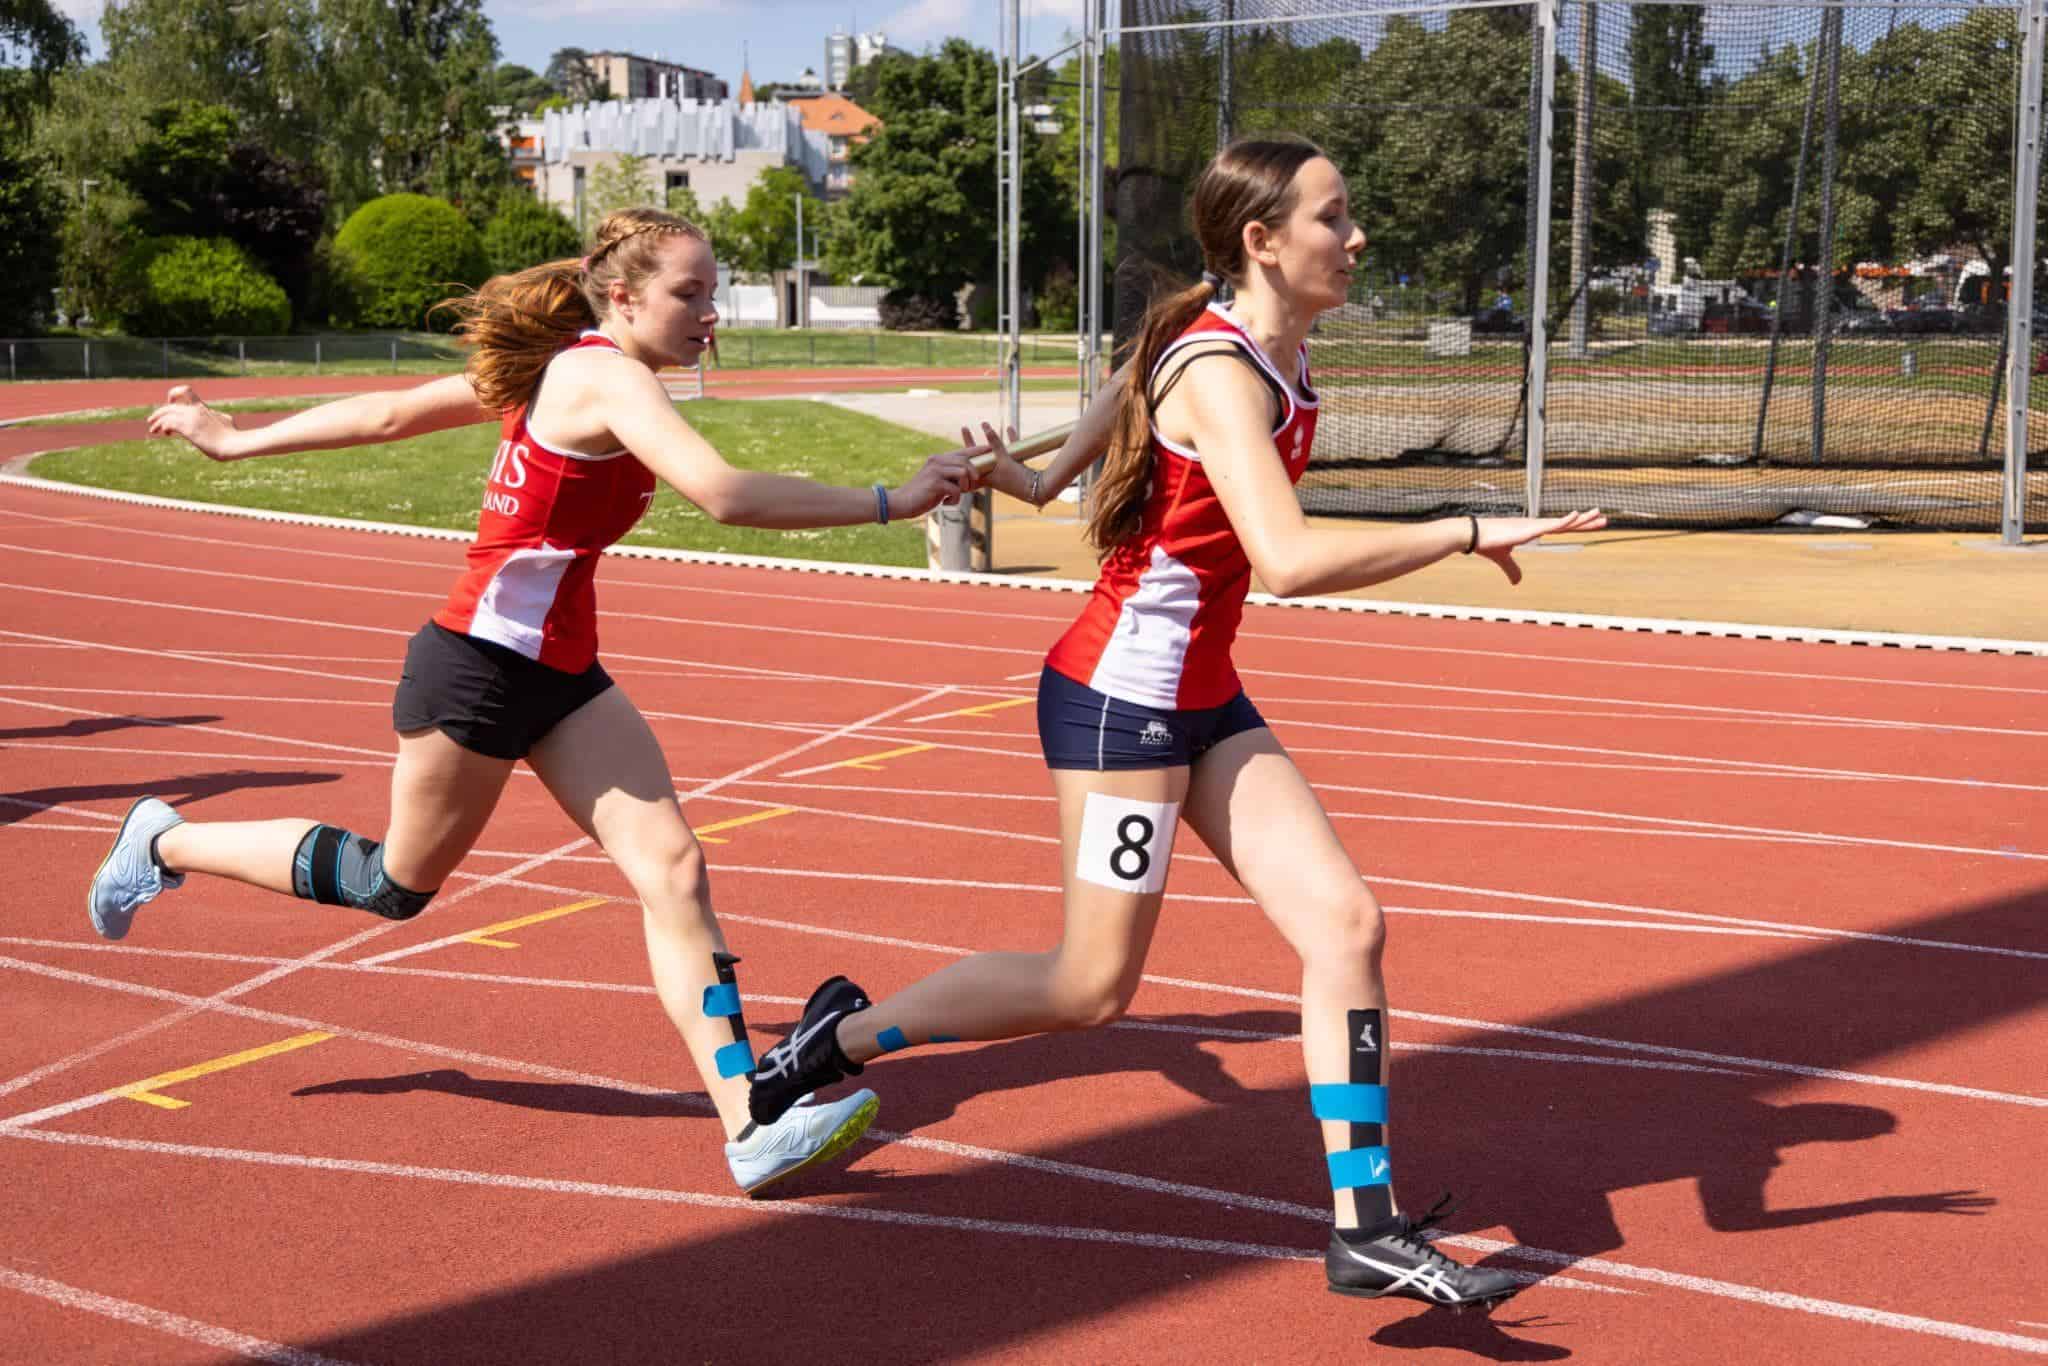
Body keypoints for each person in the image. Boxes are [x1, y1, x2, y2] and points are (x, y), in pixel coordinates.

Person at [745, 140, 1605, 1306]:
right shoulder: (1212, 365)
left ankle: (1363, 1225)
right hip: (1119, 707)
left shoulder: (1241, 339)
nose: (1354, 238)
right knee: (1090, 987)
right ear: (1261, 238)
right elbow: (1287, 561)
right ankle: (831, 1045)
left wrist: (1002, 470)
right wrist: (1463, 531)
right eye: (1332, 217)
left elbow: (1051, 483)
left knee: (1345, 923)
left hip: (1202, 693)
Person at [90, 206, 986, 1196]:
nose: (710, 314)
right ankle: (163, 839)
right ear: (623, 296)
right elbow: (722, 493)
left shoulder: (562, 366)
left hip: (562, 676)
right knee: (392, 885)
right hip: (473, 667)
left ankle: (750, 1121)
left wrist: (235, 440)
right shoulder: (603, 372)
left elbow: (391, 414)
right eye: (689, 293)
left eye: (711, 292)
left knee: (673, 868)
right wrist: (889, 501)